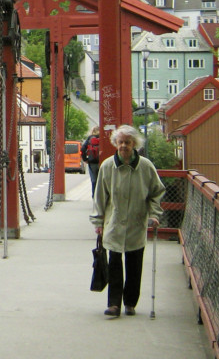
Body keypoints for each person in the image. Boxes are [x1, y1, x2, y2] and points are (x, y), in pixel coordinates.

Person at [90, 124, 164, 318]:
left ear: (134, 144)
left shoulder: (145, 167)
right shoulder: (107, 166)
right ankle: (114, 304)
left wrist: (154, 214)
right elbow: (100, 197)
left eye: (127, 142)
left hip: (136, 222)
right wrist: (98, 222)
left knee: (134, 265)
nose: (123, 146)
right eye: (120, 142)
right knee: (114, 264)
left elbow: (156, 192)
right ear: (116, 143)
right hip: (114, 222)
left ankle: (130, 302)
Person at [81, 126, 102, 197]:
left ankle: (94, 196)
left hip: (92, 162)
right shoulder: (103, 138)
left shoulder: (90, 138)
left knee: (94, 180)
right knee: (101, 179)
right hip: (102, 162)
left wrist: (85, 159)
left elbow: (83, 149)